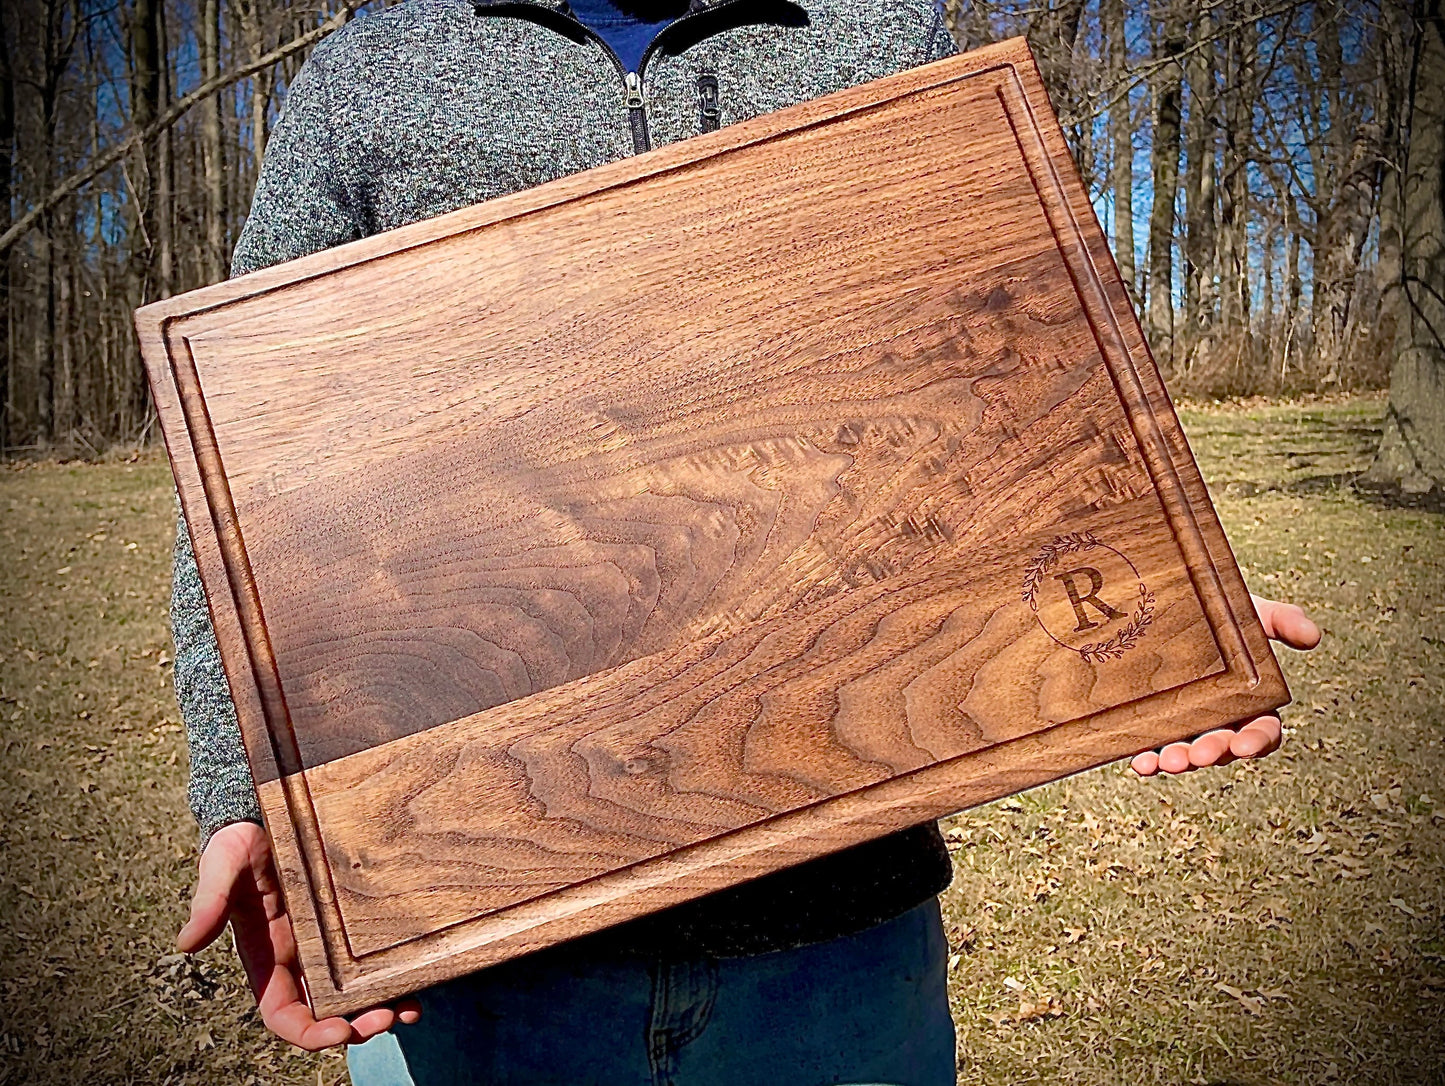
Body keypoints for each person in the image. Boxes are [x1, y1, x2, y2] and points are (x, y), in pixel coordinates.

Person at [170, 2, 1324, 1083]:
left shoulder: (873, 29)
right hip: (479, 957)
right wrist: (243, 785)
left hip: (837, 948)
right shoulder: (379, 67)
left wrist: (1177, 616)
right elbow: (242, 458)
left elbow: (1011, 359)